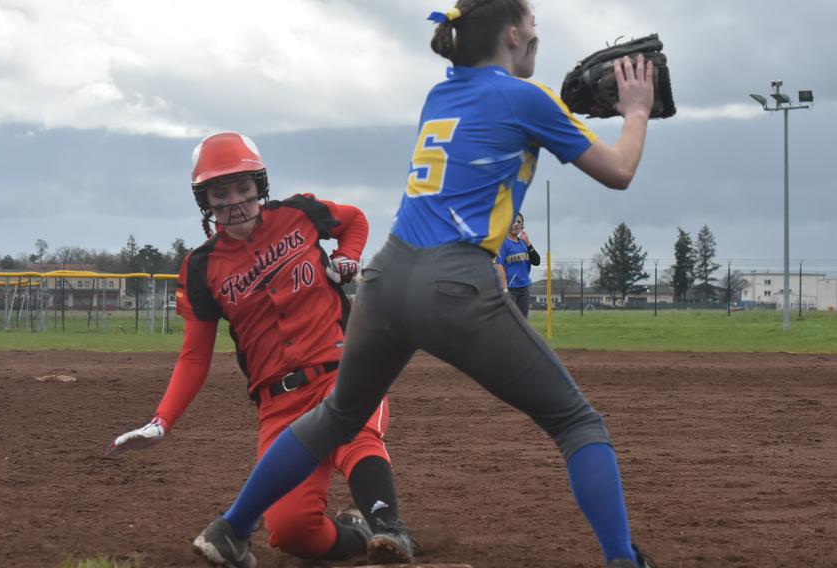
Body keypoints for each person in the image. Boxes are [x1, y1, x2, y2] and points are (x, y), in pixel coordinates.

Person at [193, 2, 658, 567]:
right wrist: (636, 110)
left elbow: (495, 120)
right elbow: (620, 171)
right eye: (532, 28)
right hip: (454, 283)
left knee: (337, 416)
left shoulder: (442, 94)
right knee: (576, 422)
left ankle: (231, 528)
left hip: (386, 279)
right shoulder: (525, 98)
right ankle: (622, 561)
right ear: (512, 34)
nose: (537, 37)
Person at [106, 132, 409, 565]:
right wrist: (162, 420)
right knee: (291, 531)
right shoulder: (202, 267)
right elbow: (194, 356)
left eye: (243, 188)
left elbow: (355, 220)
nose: (234, 201)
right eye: (220, 191)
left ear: (259, 185)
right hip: (278, 403)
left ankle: (390, 529)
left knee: (355, 433)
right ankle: (360, 537)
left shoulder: (298, 213)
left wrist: (348, 255)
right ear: (204, 200)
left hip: (340, 372)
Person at [495, 213, 540, 316]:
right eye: (513, 221)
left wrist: (528, 243)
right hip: (510, 290)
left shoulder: (524, 243)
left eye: (519, 222)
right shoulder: (503, 243)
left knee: (523, 321)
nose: (516, 224)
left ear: (522, 226)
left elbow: (537, 262)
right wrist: (504, 289)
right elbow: (498, 266)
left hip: (524, 289)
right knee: (512, 321)